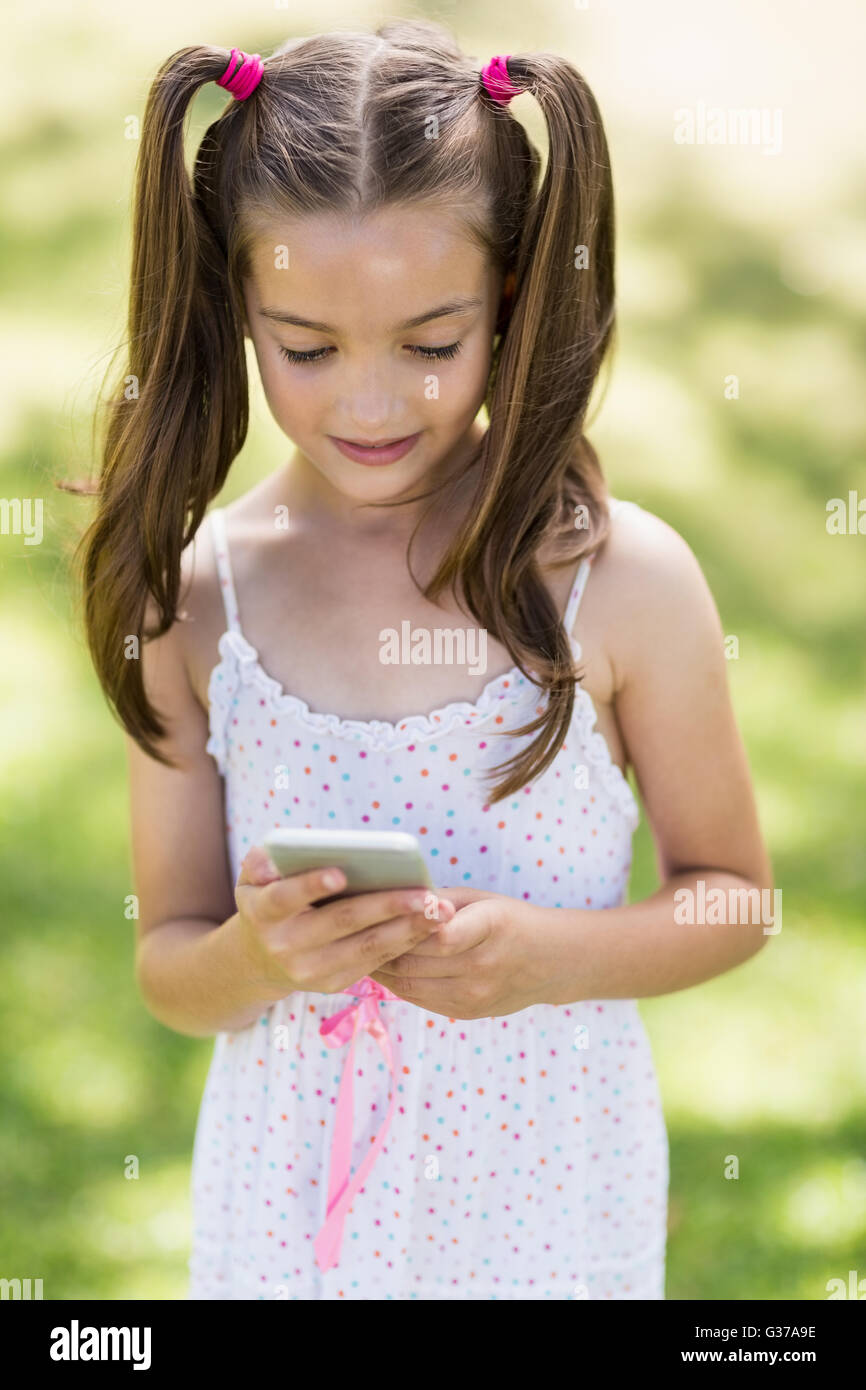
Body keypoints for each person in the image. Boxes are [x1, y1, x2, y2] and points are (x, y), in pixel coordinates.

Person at [76, 20, 773, 1299]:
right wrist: (257, 959)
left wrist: (552, 957)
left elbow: (732, 898)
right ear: (236, 306)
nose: (371, 403)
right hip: (290, 1237)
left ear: (509, 295)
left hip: (546, 1223)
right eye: (307, 347)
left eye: (430, 342)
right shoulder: (196, 606)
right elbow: (172, 959)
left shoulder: (620, 583)